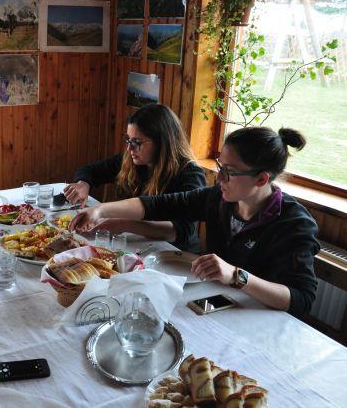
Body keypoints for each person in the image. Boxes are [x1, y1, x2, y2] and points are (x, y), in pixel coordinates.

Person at [70, 126, 319, 318]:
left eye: (229, 172)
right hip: (215, 305)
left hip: (260, 319)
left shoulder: (294, 224)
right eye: (220, 165)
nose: (219, 177)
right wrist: (101, 211)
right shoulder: (219, 199)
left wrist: (236, 275)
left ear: (261, 179)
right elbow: (158, 204)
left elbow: (301, 300)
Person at [64, 104, 205, 252]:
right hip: (137, 246)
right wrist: (83, 183)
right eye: (128, 140)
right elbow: (91, 170)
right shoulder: (132, 159)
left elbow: (181, 231)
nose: (130, 149)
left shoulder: (190, 174)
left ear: (162, 142)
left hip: (175, 256)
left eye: (137, 142)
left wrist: (122, 224)